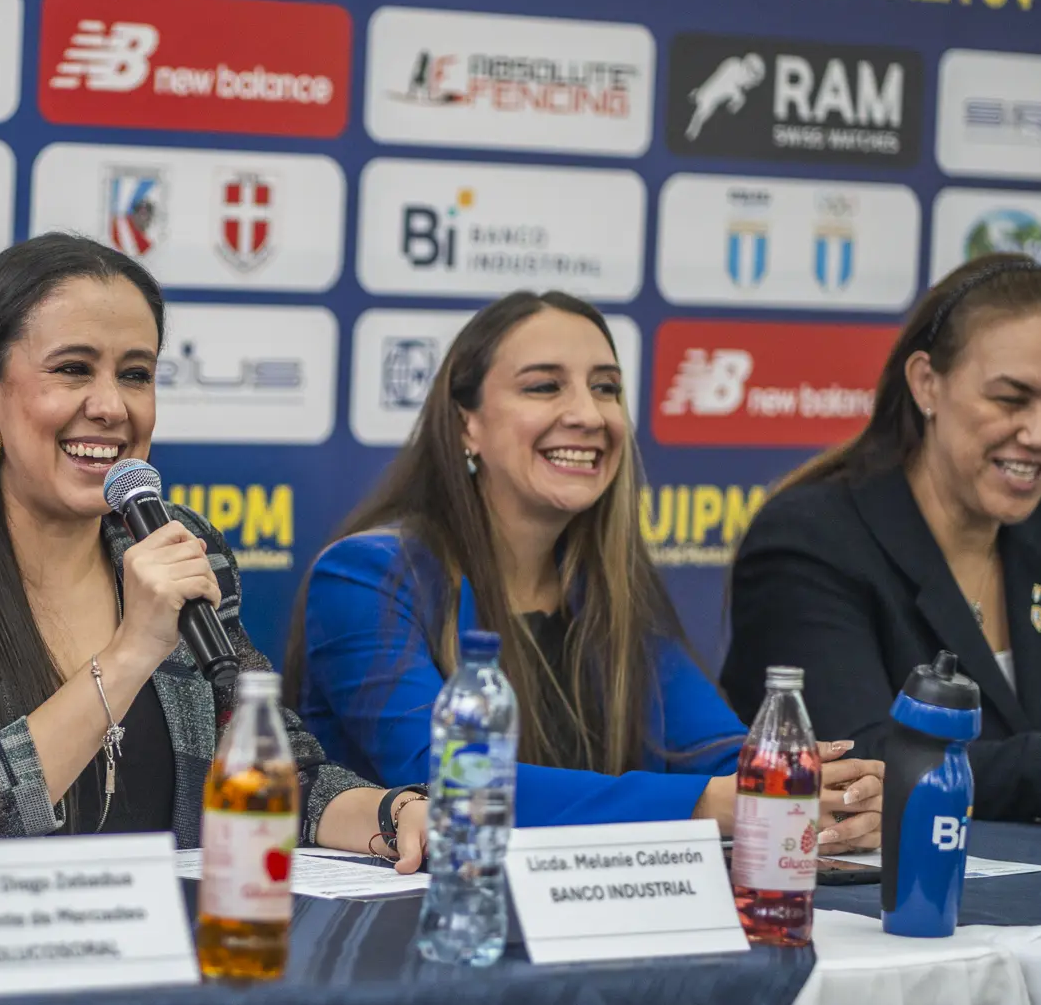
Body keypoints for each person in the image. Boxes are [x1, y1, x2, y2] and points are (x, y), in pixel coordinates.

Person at [0, 233, 432, 870]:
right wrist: (128, 653)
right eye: (74, 369)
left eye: (136, 374)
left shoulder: (177, 548)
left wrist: (391, 811)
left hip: (146, 961)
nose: (112, 405)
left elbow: (281, 773)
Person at [295, 291, 882, 855]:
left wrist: (824, 794)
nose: (587, 414)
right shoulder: (366, 576)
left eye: (606, 388)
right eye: (544, 386)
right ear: (464, 424)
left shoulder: (610, 590)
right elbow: (449, 782)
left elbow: (721, 756)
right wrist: (722, 803)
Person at [724, 254, 1041, 823]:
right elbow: (861, 772)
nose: (1040, 434)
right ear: (927, 384)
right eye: (1011, 399)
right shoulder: (810, 539)